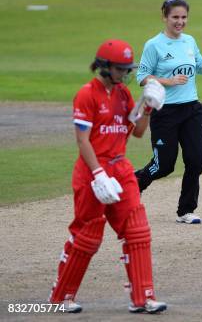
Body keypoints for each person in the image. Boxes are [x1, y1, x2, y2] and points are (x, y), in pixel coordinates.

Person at [48, 39, 166, 314]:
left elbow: (136, 132)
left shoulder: (124, 94)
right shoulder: (87, 94)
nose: (125, 74)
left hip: (121, 167)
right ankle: (61, 297)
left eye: (127, 69)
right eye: (120, 68)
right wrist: (98, 173)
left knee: (137, 230)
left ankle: (143, 297)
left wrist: (147, 108)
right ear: (104, 67)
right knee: (88, 234)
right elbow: (82, 140)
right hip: (93, 170)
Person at [135, 0, 202, 224]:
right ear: (165, 17)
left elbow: (199, 65)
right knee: (164, 165)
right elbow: (141, 77)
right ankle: (132, 186)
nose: (180, 22)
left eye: (184, 17)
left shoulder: (189, 41)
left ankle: (186, 210)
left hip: (191, 109)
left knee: (196, 161)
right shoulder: (154, 45)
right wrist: (168, 81)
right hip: (165, 111)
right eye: (175, 17)